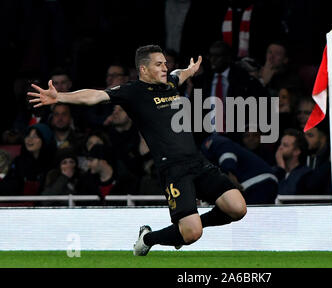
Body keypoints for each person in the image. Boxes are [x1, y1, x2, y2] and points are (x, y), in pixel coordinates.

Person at [28, 44, 246, 255]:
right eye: (159, 64)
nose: (165, 68)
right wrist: (60, 97)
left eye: (165, 64)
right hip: (173, 169)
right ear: (143, 69)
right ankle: (148, 239)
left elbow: (179, 74)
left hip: (197, 161)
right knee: (192, 234)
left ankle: (180, 230)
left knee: (238, 208)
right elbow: (96, 95)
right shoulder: (133, 91)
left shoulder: (169, 83)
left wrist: (189, 70)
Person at [201, 134, 278, 204]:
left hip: (258, 181)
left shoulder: (212, 140)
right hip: (261, 181)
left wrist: (229, 172)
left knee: (251, 215)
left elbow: (226, 153)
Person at [274, 129, 314, 195]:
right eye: (280, 144)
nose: (280, 148)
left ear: (296, 151)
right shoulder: (272, 171)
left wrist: (281, 168)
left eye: (285, 145)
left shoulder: (306, 174)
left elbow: (286, 195)